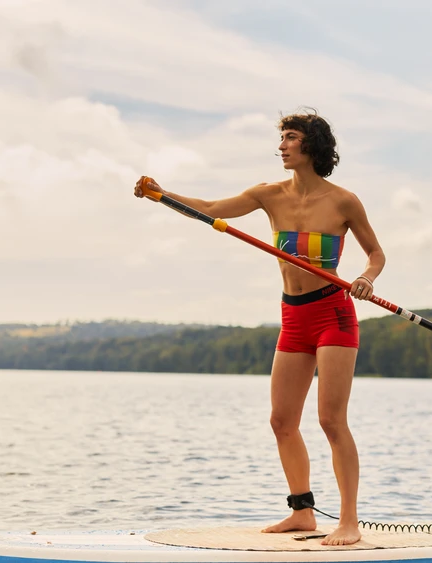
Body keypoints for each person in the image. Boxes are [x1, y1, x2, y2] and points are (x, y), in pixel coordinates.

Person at [133, 110, 385, 546]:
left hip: (334, 315)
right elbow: (211, 210)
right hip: (293, 317)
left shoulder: (344, 201)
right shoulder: (269, 195)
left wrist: (366, 278)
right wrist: (162, 195)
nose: (281, 145)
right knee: (282, 421)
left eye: (290, 137)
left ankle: (349, 521)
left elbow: (376, 254)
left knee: (331, 420)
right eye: (282, 138)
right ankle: (302, 512)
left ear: (312, 145)